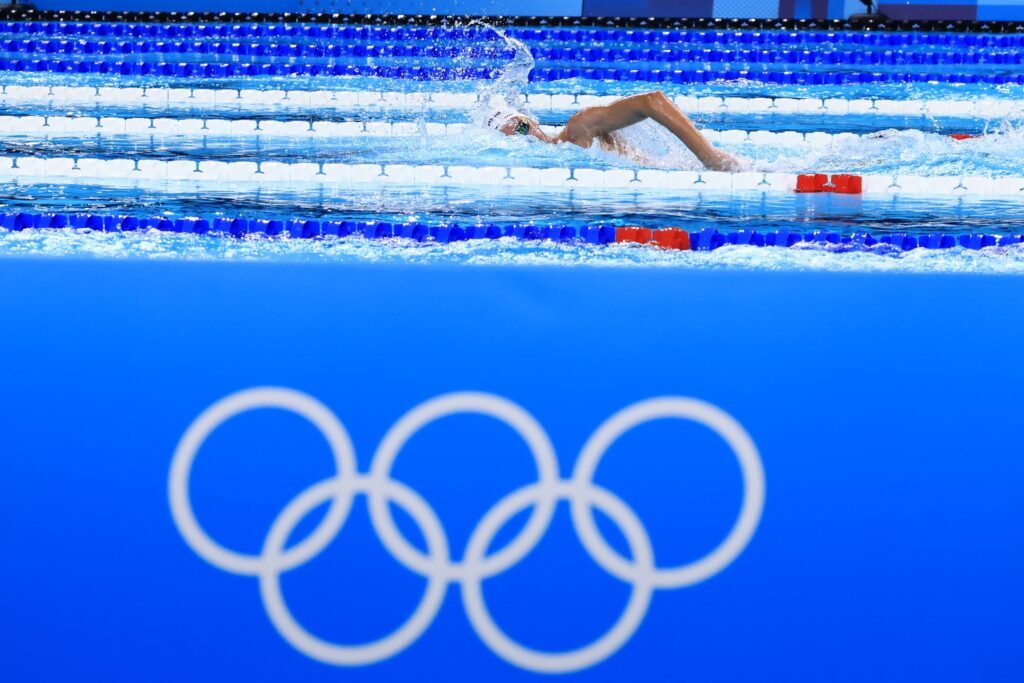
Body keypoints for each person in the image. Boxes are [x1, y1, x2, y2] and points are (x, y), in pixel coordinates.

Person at [488, 90, 740, 172]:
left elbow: (651, 100)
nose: (524, 135)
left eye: (522, 126)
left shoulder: (578, 129)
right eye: (513, 134)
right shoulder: (551, 167)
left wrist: (709, 157)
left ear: (532, 122)